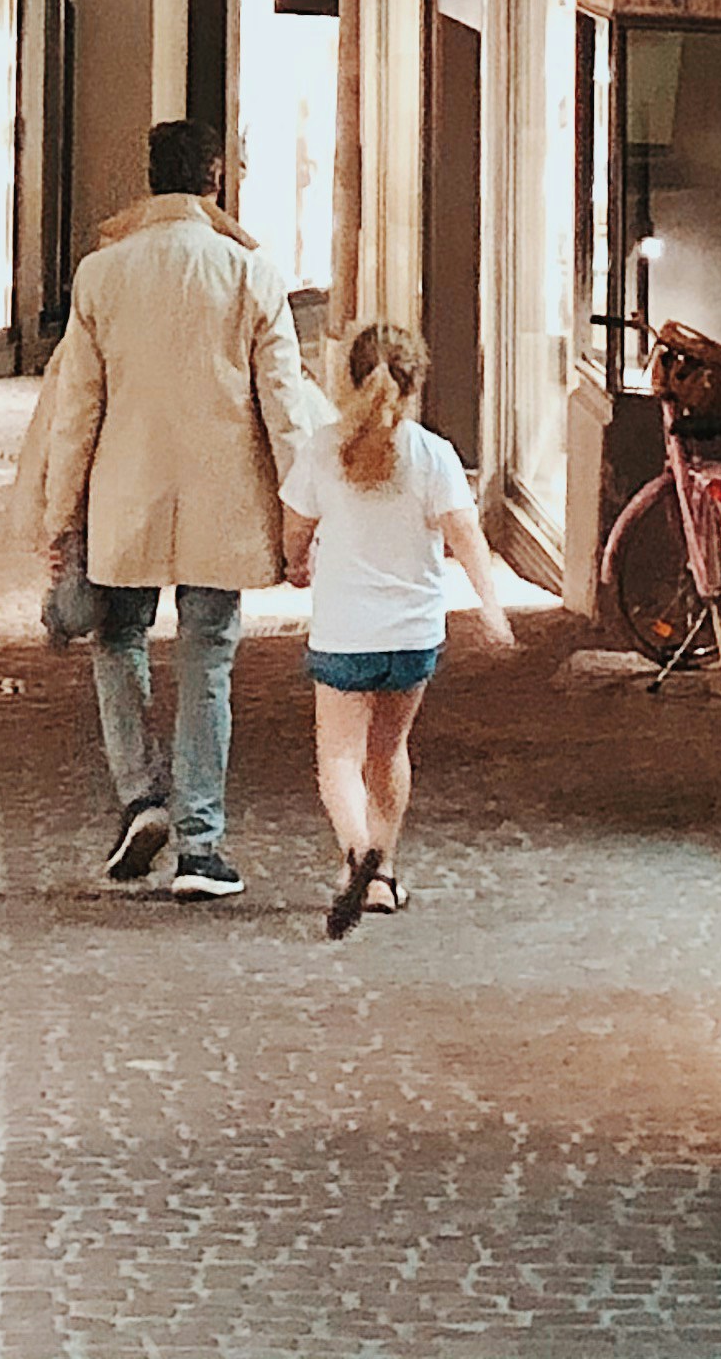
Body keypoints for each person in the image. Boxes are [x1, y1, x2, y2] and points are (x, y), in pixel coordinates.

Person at [40, 117, 313, 901]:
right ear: (215, 179)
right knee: (209, 659)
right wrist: (302, 515)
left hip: (124, 497)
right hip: (221, 504)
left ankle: (141, 794)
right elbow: (285, 405)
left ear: (151, 177)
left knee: (118, 639)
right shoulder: (250, 276)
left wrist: (62, 517)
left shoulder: (101, 275)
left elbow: (76, 411)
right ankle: (201, 845)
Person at [280, 321, 516, 939]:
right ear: (414, 387)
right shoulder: (433, 454)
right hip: (413, 633)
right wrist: (491, 608)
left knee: (338, 756)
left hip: (344, 631)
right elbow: (467, 537)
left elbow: (295, 529)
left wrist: (295, 563)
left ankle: (359, 857)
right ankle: (382, 878)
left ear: (348, 378)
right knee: (389, 751)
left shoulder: (323, 450)